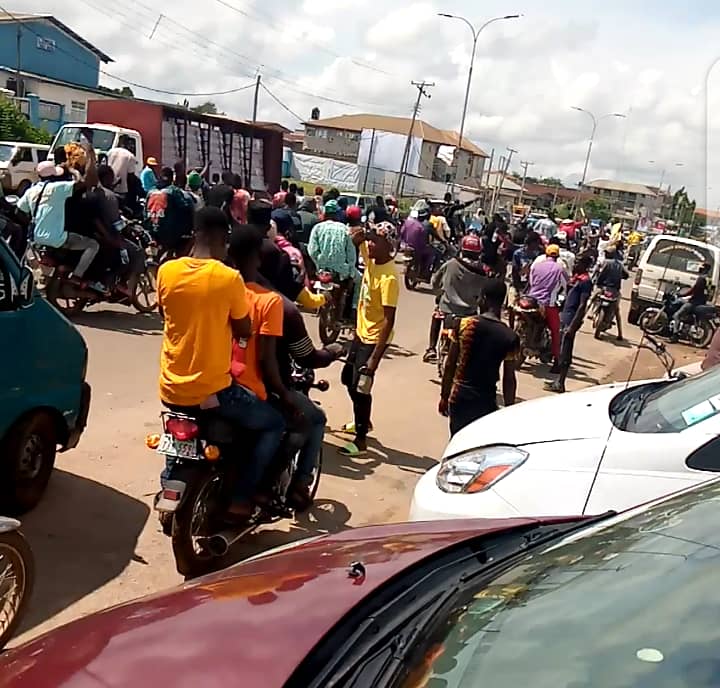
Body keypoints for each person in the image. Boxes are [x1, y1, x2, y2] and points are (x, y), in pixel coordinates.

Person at [158, 207, 284, 519]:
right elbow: (243, 329)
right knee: (273, 424)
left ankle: (168, 488)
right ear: (221, 237)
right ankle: (241, 497)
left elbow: (166, 314)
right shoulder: (229, 279)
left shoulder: (166, 271)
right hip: (213, 391)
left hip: (170, 386)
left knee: (178, 436)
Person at [340, 222, 399, 456]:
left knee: (361, 386)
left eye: (376, 241)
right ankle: (362, 420)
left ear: (389, 246)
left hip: (373, 339)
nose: (370, 244)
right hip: (360, 334)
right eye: (371, 239)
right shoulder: (372, 257)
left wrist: (375, 359)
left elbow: (389, 320)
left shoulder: (389, 278)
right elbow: (355, 240)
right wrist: (363, 233)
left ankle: (361, 439)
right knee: (347, 379)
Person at [439, 278, 519, 436]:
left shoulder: (464, 324)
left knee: (456, 439)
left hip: (460, 396)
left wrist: (444, 395)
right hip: (486, 400)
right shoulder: (510, 336)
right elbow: (509, 378)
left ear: (483, 298)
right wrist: (509, 410)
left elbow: (450, 365)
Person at [18, 149, 105, 293]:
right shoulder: (58, 189)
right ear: (53, 176)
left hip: (35, 240)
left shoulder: (31, 191)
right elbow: (84, 182)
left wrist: (36, 221)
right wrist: (76, 168)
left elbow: (20, 212)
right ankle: (77, 276)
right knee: (93, 245)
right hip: (57, 238)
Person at [423, 234, 488, 363]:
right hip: (469, 312)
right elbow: (483, 294)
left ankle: (431, 349)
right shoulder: (483, 271)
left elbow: (435, 282)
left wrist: (439, 293)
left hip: (447, 308)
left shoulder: (451, 264)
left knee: (436, 316)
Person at [544, 254, 593, 393]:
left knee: (566, 349)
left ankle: (561, 383)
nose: (575, 264)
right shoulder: (575, 278)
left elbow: (582, 305)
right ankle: (557, 376)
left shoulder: (585, 282)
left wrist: (573, 325)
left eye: (578, 262)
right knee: (559, 347)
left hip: (571, 318)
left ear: (585, 265)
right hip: (565, 315)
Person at [528, 244, 567, 366]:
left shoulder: (536, 266)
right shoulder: (560, 269)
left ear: (546, 254)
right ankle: (556, 360)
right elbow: (565, 284)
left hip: (531, 299)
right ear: (557, 256)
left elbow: (531, 281)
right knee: (556, 331)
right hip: (547, 304)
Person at [145, 166, 196, 256]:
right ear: (172, 179)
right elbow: (185, 208)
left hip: (151, 231)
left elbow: (145, 211)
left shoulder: (150, 191)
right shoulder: (173, 191)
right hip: (169, 234)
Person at [308, 200, 357, 282]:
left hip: (321, 272)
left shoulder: (317, 228)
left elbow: (312, 251)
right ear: (337, 214)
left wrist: (321, 263)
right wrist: (351, 273)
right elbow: (351, 254)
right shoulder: (344, 228)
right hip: (341, 273)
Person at [592, 245, 628, 341]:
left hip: (604, 288)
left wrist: (598, 283)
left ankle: (584, 316)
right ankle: (620, 334)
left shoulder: (606, 263)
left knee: (591, 300)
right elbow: (626, 275)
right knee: (617, 312)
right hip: (615, 290)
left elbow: (601, 275)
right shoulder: (620, 264)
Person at [671, 262, 711, 339]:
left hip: (694, 302)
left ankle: (675, 335)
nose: (700, 269)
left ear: (704, 269)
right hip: (701, 301)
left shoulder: (701, 278)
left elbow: (694, 290)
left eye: (702, 268)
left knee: (677, 315)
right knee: (682, 303)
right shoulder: (708, 279)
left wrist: (682, 295)